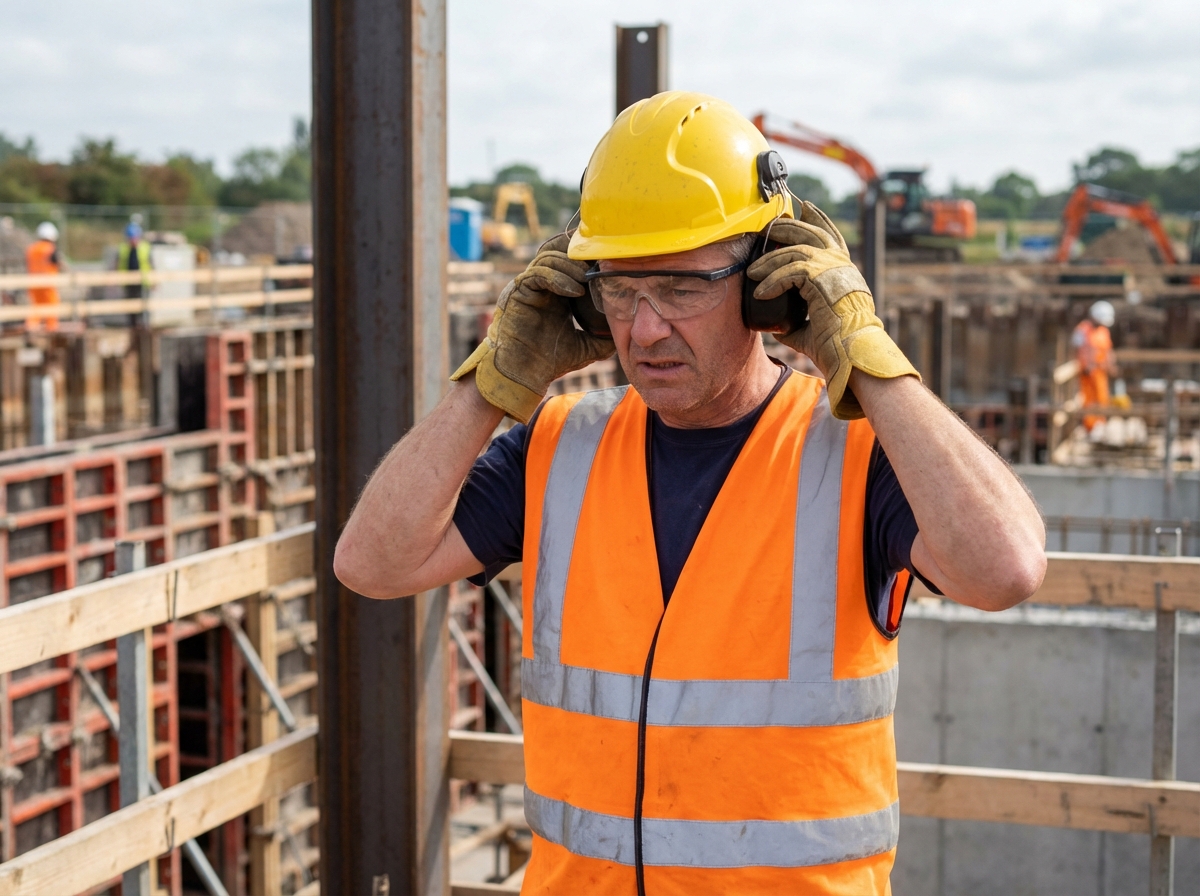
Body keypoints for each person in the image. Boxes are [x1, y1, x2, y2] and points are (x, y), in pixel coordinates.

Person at [334, 92, 1046, 894]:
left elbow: (1006, 569)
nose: (643, 331)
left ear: (764, 287)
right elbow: (372, 563)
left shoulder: (854, 453)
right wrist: (493, 380)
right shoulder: (560, 448)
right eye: (619, 290)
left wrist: (868, 359)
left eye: (681, 288)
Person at [1072, 300, 1116, 431]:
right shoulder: (1082, 330)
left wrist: (1111, 365)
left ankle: (1100, 425)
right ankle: (1090, 427)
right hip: (1087, 373)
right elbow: (1074, 350)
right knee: (1089, 401)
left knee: (1102, 399)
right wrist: (1084, 366)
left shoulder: (1103, 331)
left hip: (1101, 372)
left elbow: (1108, 350)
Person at [25, 222, 62, 332]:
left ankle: (31, 326)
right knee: (51, 305)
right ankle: (51, 328)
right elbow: (57, 263)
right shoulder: (51, 248)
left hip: (33, 283)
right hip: (48, 284)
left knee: (36, 306)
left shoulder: (32, 248)